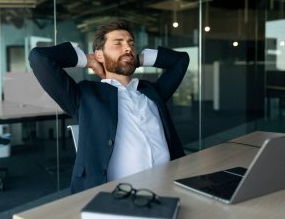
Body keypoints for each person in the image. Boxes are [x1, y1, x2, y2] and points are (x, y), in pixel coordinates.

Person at [29, 19, 190, 193]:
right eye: (118, 44)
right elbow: (39, 58)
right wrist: (88, 60)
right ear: (99, 54)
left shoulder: (151, 91)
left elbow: (181, 60)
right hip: (118, 196)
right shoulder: (86, 96)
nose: (128, 48)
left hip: (171, 184)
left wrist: (139, 59)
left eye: (131, 44)